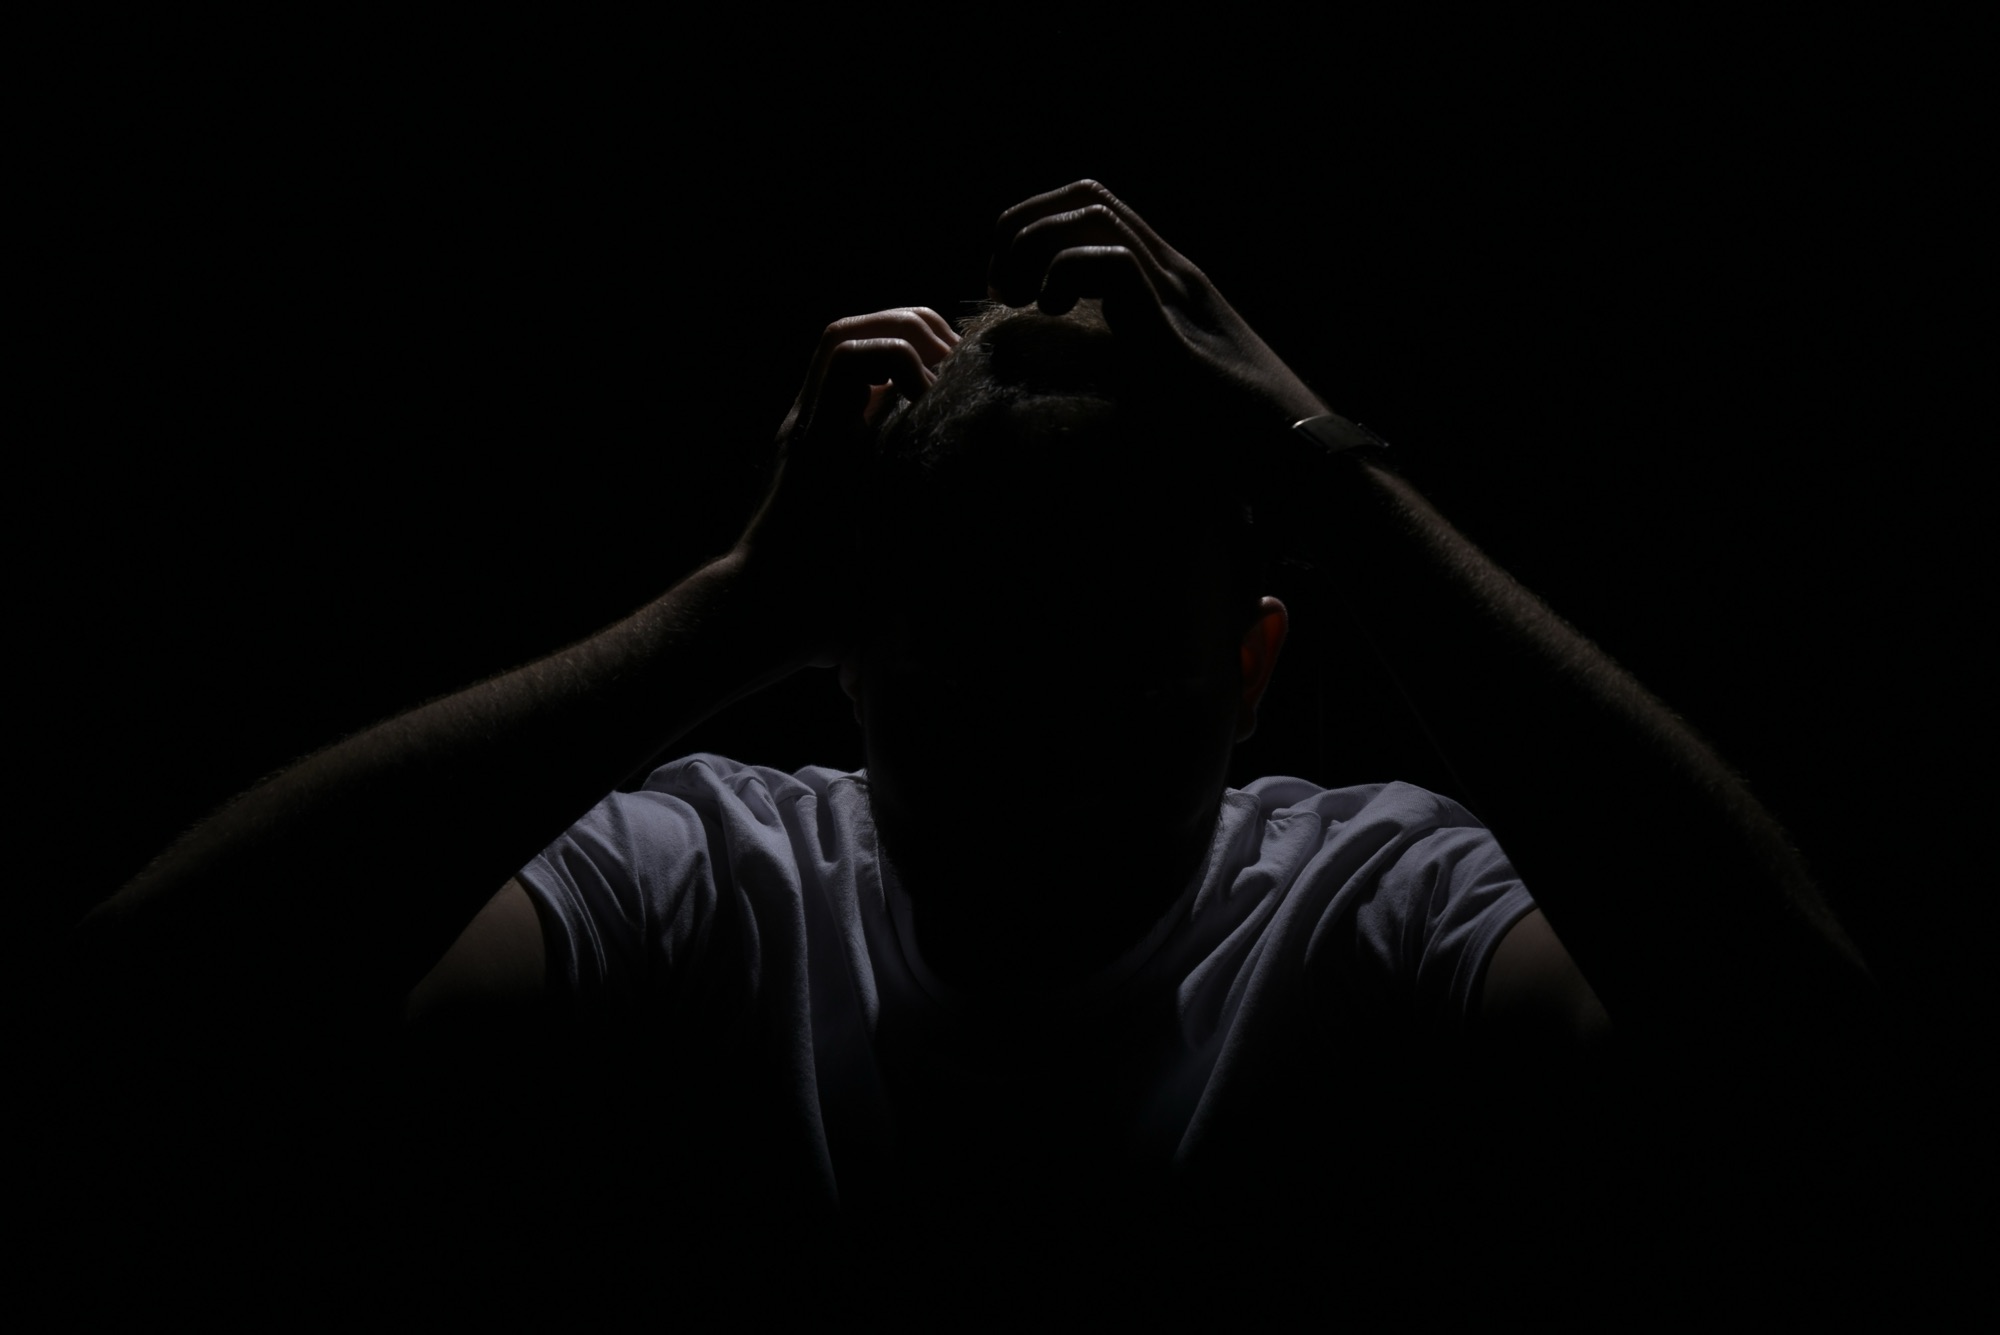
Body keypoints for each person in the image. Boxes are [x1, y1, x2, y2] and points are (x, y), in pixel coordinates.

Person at [62, 182, 1876, 1313]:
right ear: (847, 667)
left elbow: (1808, 1073)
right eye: (971, 703)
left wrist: (1340, 484)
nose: (1049, 795)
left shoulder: (1378, 893)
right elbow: (148, 1015)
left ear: (1255, 669)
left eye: (1127, 706)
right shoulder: (720, 874)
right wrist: (730, 609)